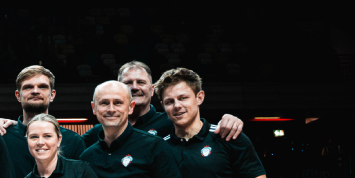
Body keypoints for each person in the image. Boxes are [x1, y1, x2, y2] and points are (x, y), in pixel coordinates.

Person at [80, 60, 245, 146]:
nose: (134, 87)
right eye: (128, 83)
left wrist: (230, 120)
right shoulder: (99, 132)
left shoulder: (172, 122)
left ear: (152, 90)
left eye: (141, 82)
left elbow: (201, 129)